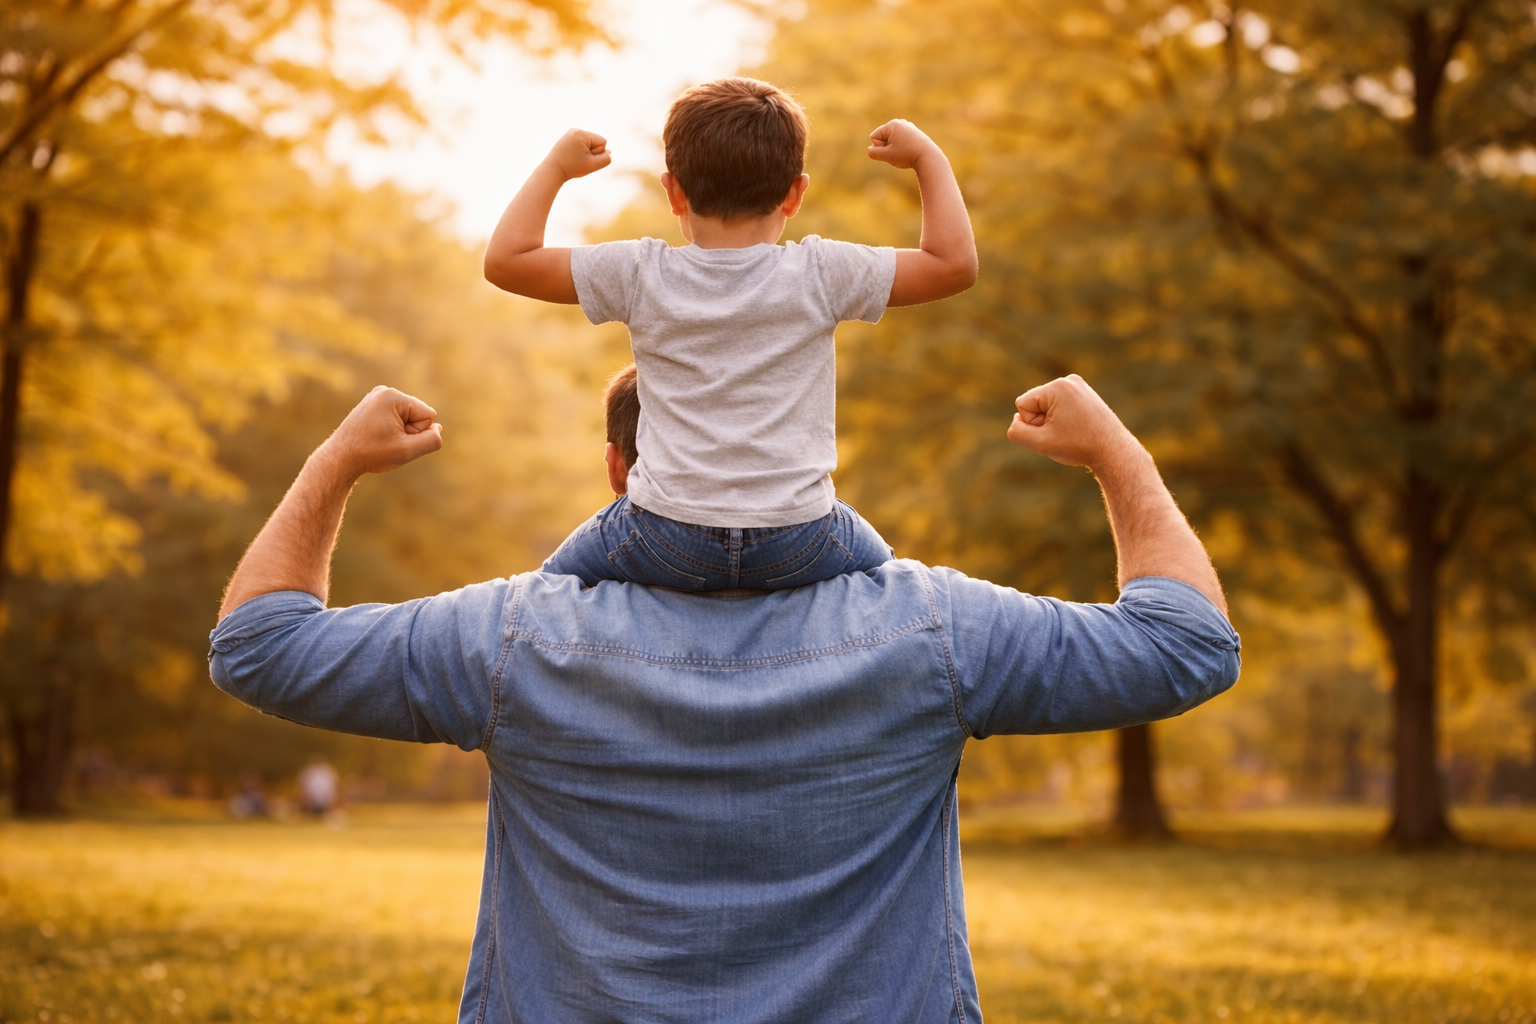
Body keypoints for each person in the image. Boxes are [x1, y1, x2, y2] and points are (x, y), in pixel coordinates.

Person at [208, 375, 1239, 1024]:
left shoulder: (510, 639)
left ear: (618, 470)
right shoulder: (934, 630)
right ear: (805, 464)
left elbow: (258, 645)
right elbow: (1186, 644)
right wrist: (1115, 450)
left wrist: (338, 461)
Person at [482, 77, 978, 590]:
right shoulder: (822, 272)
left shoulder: (639, 273)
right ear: (795, 194)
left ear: (673, 191)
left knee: (540, 596)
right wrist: (928, 158)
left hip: (666, 536)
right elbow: (953, 265)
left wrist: (557, 168)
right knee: (898, 585)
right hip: (798, 539)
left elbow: (506, 261)